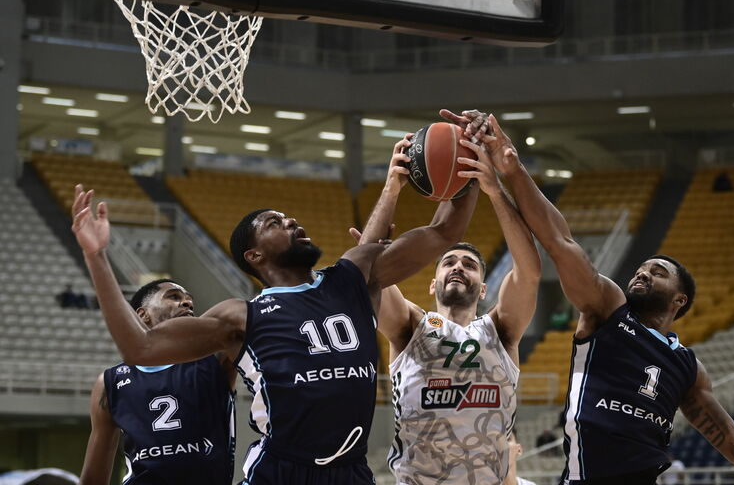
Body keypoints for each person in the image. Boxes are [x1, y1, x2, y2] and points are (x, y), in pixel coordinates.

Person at [71, 117, 481, 485]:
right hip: (279, 472)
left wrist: (469, 160)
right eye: (273, 222)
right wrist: (96, 256)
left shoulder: (354, 275)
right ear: (255, 256)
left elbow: (445, 232)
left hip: (351, 472)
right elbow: (139, 347)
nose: (291, 221)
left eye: (288, 217)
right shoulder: (240, 316)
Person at [450, 110, 734, 485]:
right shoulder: (608, 310)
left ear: (679, 300)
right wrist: (512, 170)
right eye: (642, 269)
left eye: (658, 272)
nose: (643, 273)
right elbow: (559, 242)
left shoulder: (687, 367)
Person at [353, 125, 541, 484]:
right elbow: (364, 278)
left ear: (484, 288)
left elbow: (529, 272)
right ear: (432, 282)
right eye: (449, 262)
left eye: (469, 265)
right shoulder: (411, 326)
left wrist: (494, 191)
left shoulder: (501, 330)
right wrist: (392, 186)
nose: (458, 267)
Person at [78, 279, 237, 485]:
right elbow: (93, 477)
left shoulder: (217, 358)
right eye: (174, 297)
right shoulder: (110, 382)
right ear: (143, 315)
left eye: (190, 301)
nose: (187, 303)